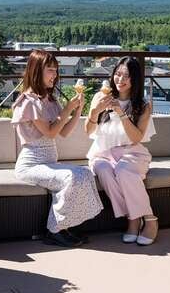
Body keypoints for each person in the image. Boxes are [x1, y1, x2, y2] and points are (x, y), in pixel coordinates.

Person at [13, 49, 103, 248]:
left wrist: (77, 110)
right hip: (31, 165)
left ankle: (65, 226)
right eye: (50, 70)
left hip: (48, 163)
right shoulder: (29, 102)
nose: (54, 75)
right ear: (36, 71)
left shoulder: (49, 100)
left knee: (85, 174)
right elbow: (51, 132)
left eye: (56, 70)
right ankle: (54, 230)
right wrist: (68, 109)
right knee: (71, 177)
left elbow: (63, 132)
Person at [85, 56, 158, 245]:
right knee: (104, 171)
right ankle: (134, 218)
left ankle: (147, 220)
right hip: (103, 153)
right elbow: (88, 131)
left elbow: (136, 138)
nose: (120, 79)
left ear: (135, 80)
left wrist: (121, 113)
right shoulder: (101, 96)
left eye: (126, 76)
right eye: (117, 74)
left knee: (124, 172)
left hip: (132, 152)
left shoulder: (143, 106)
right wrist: (95, 111)